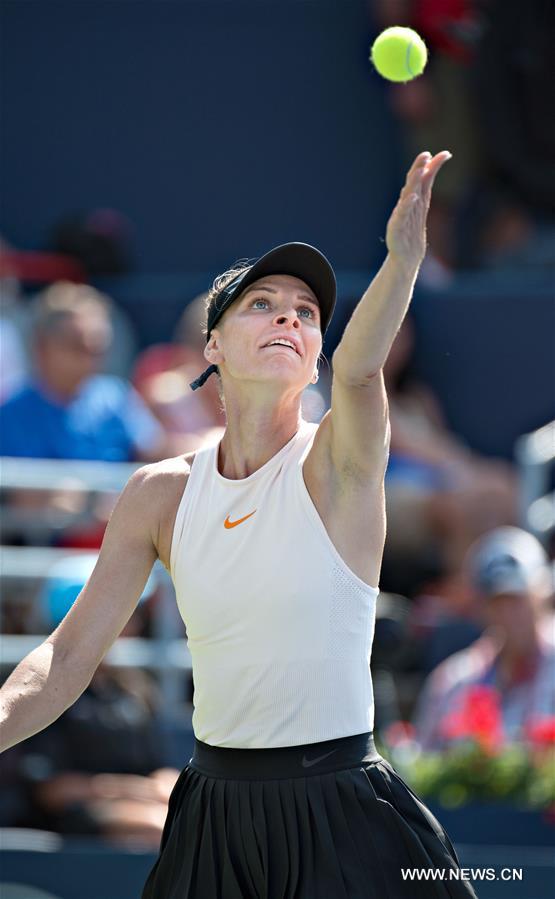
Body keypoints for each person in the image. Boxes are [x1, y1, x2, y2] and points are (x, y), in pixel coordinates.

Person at [0, 151, 479, 898]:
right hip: (214, 818)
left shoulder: (339, 462)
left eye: (306, 312)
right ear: (212, 347)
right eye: (261, 302)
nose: (289, 315)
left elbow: (360, 371)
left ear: (314, 357)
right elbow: (65, 660)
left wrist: (403, 259)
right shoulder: (158, 494)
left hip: (344, 810)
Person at [413, 526, 555, 751]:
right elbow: (424, 759)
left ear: (542, 594)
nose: (508, 614)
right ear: (482, 608)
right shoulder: (455, 680)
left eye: (518, 599)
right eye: (497, 602)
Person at [0, 281, 167, 462]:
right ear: (42, 348)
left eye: (97, 348)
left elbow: (156, 452)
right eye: (76, 346)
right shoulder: (10, 414)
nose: (88, 360)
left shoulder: (116, 398)